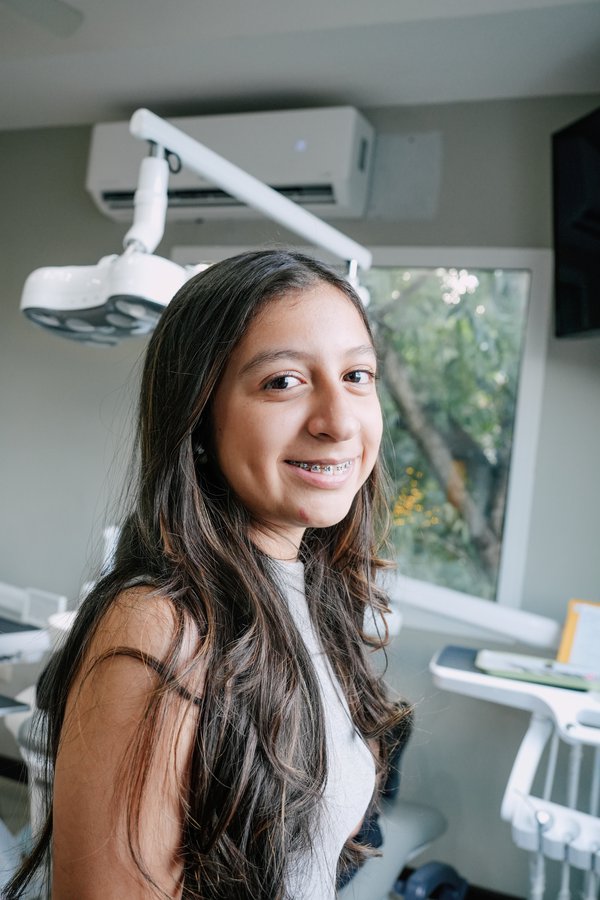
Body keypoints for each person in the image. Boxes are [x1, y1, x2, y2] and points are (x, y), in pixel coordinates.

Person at [7, 249, 409, 900]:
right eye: (283, 381)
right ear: (198, 416)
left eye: (357, 375)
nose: (338, 421)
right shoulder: (160, 630)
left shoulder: (310, 587)